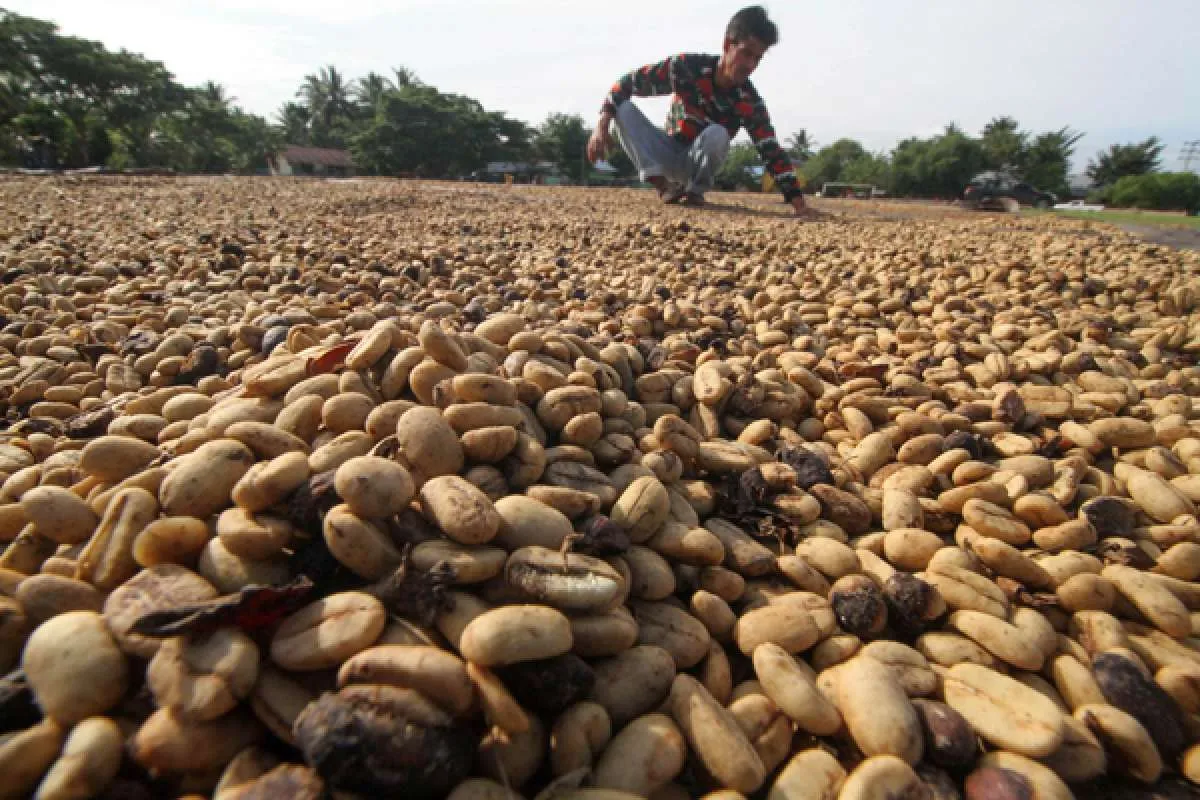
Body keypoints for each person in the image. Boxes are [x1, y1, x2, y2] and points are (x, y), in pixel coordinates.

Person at [586, 5, 810, 215]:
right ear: (727, 44)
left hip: (696, 164)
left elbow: (771, 151)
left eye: (757, 58)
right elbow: (626, 84)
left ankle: (695, 192)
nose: (750, 65)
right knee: (622, 110)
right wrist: (601, 126)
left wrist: (797, 200)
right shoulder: (685, 68)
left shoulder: (749, 101)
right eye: (746, 54)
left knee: (718, 134)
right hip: (666, 152)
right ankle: (663, 186)